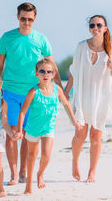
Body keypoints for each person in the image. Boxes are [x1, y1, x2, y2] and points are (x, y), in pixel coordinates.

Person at [0, 2, 63, 185]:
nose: (26, 23)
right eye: (23, 19)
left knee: (26, 134)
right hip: (9, 91)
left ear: (34, 19)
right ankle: (14, 174)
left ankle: (24, 171)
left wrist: (59, 87)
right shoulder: (7, 38)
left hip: (33, 93)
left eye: (30, 20)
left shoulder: (41, 39)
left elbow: (51, 65)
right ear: (17, 17)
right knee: (12, 133)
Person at [64, 15, 112, 182]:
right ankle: (75, 163)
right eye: (92, 25)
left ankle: (92, 173)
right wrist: (66, 92)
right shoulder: (81, 47)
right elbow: (74, 71)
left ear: (105, 28)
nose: (95, 28)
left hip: (101, 97)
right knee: (80, 135)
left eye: (98, 25)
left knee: (96, 136)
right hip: (82, 96)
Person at [15, 59, 82, 194]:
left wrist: (74, 122)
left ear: (53, 74)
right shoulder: (33, 92)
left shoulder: (57, 90)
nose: (46, 74)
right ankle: (28, 184)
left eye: (49, 72)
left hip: (48, 127)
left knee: (46, 155)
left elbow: (66, 105)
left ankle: (40, 174)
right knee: (32, 155)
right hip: (33, 128)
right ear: (37, 74)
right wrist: (19, 130)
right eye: (42, 71)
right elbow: (22, 111)